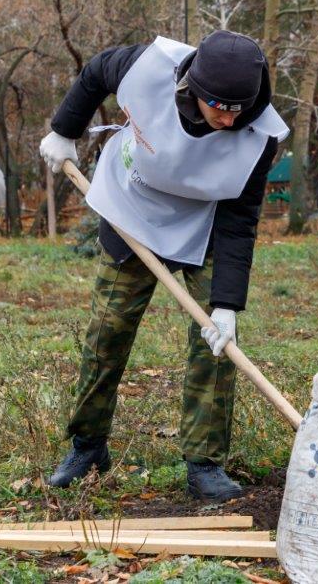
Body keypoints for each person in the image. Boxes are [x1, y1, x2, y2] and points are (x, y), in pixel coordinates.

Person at [38, 30, 289, 501]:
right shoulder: (145, 68)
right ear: (195, 87)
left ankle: (204, 462)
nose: (227, 118)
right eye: (219, 107)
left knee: (213, 344)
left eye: (238, 109)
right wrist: (64, 129)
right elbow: (95, 73)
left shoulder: (260, 139)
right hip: (131, 204)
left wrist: (227, 305)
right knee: (107, 330)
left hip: (204, 222)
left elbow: (240, 224)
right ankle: (87, 445)